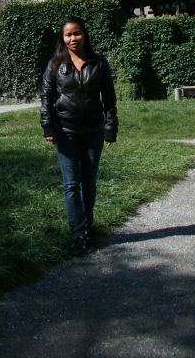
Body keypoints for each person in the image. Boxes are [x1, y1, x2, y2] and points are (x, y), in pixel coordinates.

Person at [40, 16, 118, 256]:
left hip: (93, 131)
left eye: (77, 33)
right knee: (72, 184)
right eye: (68, 35)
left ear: (85, 35)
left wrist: (110, 128)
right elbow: (47, 97)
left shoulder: (99, 63)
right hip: (66, 132)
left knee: (89, 183)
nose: (73, 38)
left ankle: (88, 227)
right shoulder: (55, 65)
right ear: (63, 39)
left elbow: (109, 99)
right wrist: (47, 127)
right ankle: (79, 234)